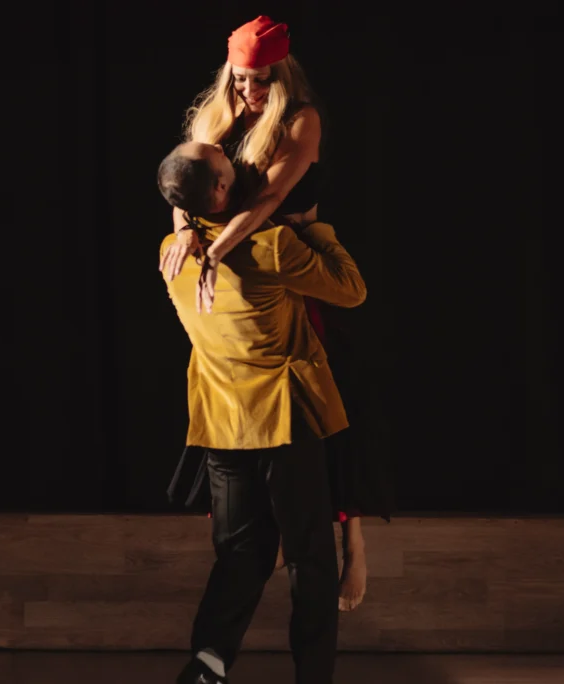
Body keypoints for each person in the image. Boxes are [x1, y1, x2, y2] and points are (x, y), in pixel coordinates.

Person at [160, 15, 391, 615]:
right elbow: (182, 184)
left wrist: (215, 249)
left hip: (290, 257)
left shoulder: (299, 119)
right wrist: (184, 231)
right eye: (239, 79)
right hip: (250, 268)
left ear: (282, 74)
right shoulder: (217, 116)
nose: (248, 91)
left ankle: (353, 544)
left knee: (331, 411)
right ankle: (270, 528)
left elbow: (267, 198)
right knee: (246, 404)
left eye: (260, 80)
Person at [157, 140, 367, 684]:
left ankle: (208, 662)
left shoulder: (171, 253)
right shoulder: (271, 245)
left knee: (240, 553)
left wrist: (187, 229)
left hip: (222, 424)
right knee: (309, 558)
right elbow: (351, 290)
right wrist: (316, 229)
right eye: (224, 161)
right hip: (283, 420)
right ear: (221, 188)